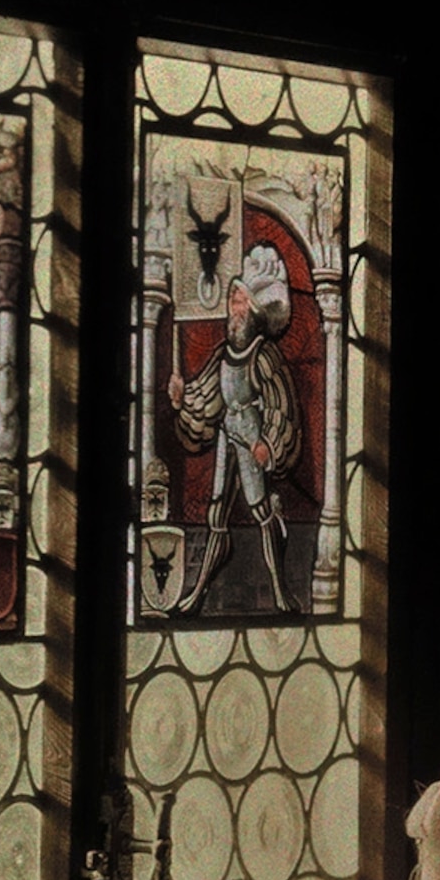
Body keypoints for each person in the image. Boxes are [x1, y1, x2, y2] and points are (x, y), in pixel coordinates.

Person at [165, 240, 304, 614]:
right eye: (234, 301)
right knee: (216, 517)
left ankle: (280, 592)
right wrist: (181, 398)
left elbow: (279, 401)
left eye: (241, 303)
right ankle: (196, 597)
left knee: (260, 512)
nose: (234, 309)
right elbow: (207, 394)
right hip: (229, 435)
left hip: (252, 438)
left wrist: (268, 445)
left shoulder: (262, 353)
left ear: (256, 312)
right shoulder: (224, 354)